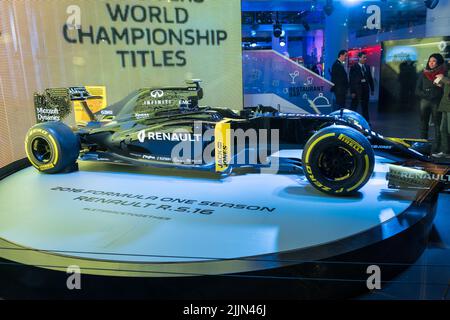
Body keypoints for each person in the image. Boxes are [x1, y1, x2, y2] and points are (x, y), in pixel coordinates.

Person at [415, 53, 445, 153]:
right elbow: (417, 90)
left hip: (436, 102)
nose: (431, 63)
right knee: (423, 124)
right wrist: (427, 95)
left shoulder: (442, 74)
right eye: (430, 61)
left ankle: (437, 146)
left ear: (438, 63)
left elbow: (444, 89)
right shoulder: (423, 73)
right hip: (424, 102)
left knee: (437, 124)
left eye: (434, 61)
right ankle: (423, 144)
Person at [349, 51, 375, 123]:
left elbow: (370, 78)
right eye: (364, 57)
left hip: (365, 90)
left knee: (365, 107)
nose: (365, 59)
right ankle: (350, 120)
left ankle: (366, 121)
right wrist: (352, 91)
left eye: (366, 57)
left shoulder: (367, 67)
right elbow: (351, 80)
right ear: (359, 58)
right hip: (357, 91)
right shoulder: (354, 67)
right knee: (354, 106)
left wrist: (372, 89)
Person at [432, 72, 450, 157]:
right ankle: (445, 152)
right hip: (445, 104)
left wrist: (443, 78)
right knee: (443, 129)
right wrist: (441, 84)